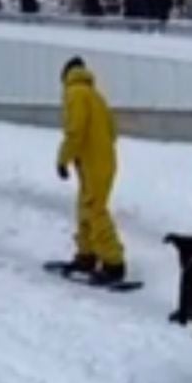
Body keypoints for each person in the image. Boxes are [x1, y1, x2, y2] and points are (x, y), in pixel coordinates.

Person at [55, 56, 126, 285]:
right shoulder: (96, 96)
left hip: (93, 162)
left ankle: (114, 263)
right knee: (85, 208)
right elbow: (112, 131)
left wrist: (63, 159)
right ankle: (87, 255)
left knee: (95, 210)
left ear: (66, 75)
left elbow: (75, 131)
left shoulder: (74, 94)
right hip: (102, 161)